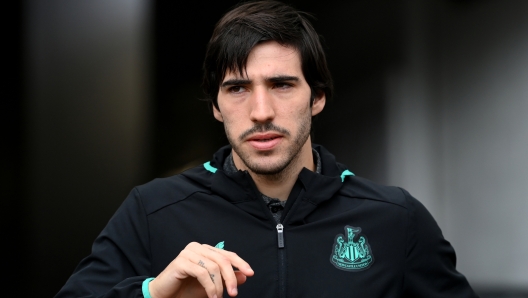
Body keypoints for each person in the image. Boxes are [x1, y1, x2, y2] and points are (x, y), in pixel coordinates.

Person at [56, 1, 479, 297]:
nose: (261, 111)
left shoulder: (394, 220)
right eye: (237, 88)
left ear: (318, 97)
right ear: (217, 107)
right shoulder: (151, 212)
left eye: (281, 84)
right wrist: (151, 294)